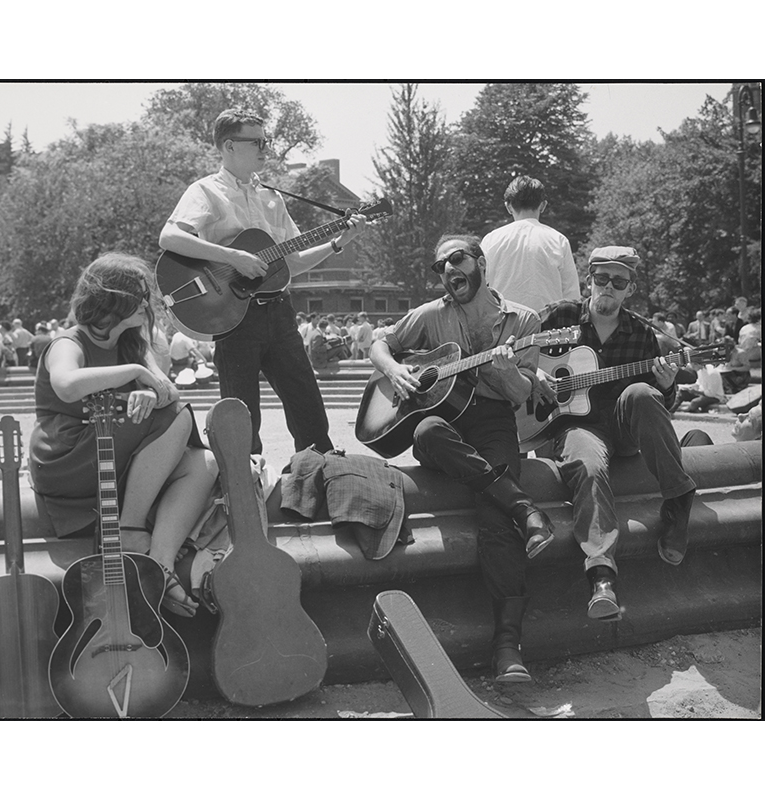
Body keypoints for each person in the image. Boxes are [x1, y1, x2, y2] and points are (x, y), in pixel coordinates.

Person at [370, 234, 552, 683]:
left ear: (480, 263)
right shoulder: (431, 315)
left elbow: (523, 393)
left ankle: (508, 647)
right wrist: (394, 369)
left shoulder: (523, 320)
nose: (448, 270)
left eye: (457, 259)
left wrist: (502, 367)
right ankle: (526, 507)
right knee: (428, 429)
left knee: (495, 522)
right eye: (440, 266)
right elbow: (380, 342)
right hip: (445, 426)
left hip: (492, 422)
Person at [159, 109, 366, 455]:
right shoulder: (206, 192)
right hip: (234, 319)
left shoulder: (272, 197)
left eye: (265, 140)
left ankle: (318, 479)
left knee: (309, 411)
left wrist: (337, 243)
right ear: (229, 146)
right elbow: (169, 237)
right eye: (256, 141)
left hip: (280, 314)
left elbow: (293, 263)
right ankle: (247, 492)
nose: (265, 148)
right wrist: (233, 257)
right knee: (242, 418)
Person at [29, 253, 218, 617]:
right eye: (140, 294)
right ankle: (130, 529)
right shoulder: (69, 342)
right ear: (113, 298)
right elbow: (67, 386)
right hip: (69, 455)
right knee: (177, 417)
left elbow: (168, 394)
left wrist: (149, 390)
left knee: (203, 461)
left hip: (110, 447)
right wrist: (134, 374)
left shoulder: (131, 342)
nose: (148, 303)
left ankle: (159, 564)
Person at [538, 246, 697, 620]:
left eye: (619, 281)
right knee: (587, 466)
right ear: (590, 280)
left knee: (643, 392)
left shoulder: (642, 333)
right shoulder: (561, 316)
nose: (608, 287)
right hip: (576, 425)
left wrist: (668, 386)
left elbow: (654, 411)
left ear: (630, 288)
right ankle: (602, 576)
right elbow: (521, 355)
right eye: (601, 279)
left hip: (622, 428)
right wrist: (536, 375)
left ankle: (679, 498)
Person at [481, 175, 580, 313]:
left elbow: (480, 289)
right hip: (547, 328)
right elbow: (572, 295)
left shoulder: (490, 240)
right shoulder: (559, 240)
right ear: (543, 205)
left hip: (503, 325)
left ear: (508, 206)